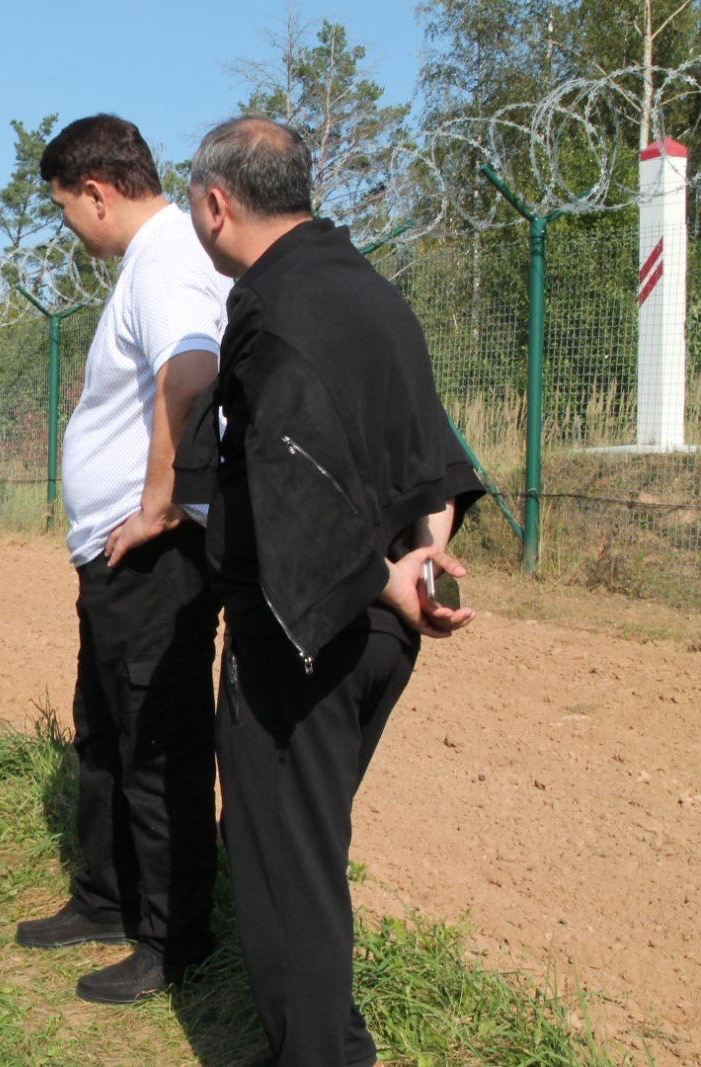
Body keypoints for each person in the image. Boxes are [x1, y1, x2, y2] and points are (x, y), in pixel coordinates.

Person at [176, 116, 483, 1067]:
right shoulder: (371, 294)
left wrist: (377, 583)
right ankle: (328, 1040)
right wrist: (421, 562)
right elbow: (436, 458)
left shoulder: (273, 308)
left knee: (283, 871)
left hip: (310, 630)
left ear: (217, 204)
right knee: (304, 853)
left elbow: (292, 482)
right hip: (381, 625)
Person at [10, 115, 231, 1005]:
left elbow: (192, 369)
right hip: (115, 562)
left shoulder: (169, 255)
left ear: (97, 191)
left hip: (154, 560)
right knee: (104, 733)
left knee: (159, 743)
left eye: (67, 209)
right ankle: (106, 897)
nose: (71, 226)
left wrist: (159, 502)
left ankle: (174, 937)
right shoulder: (151, 262)